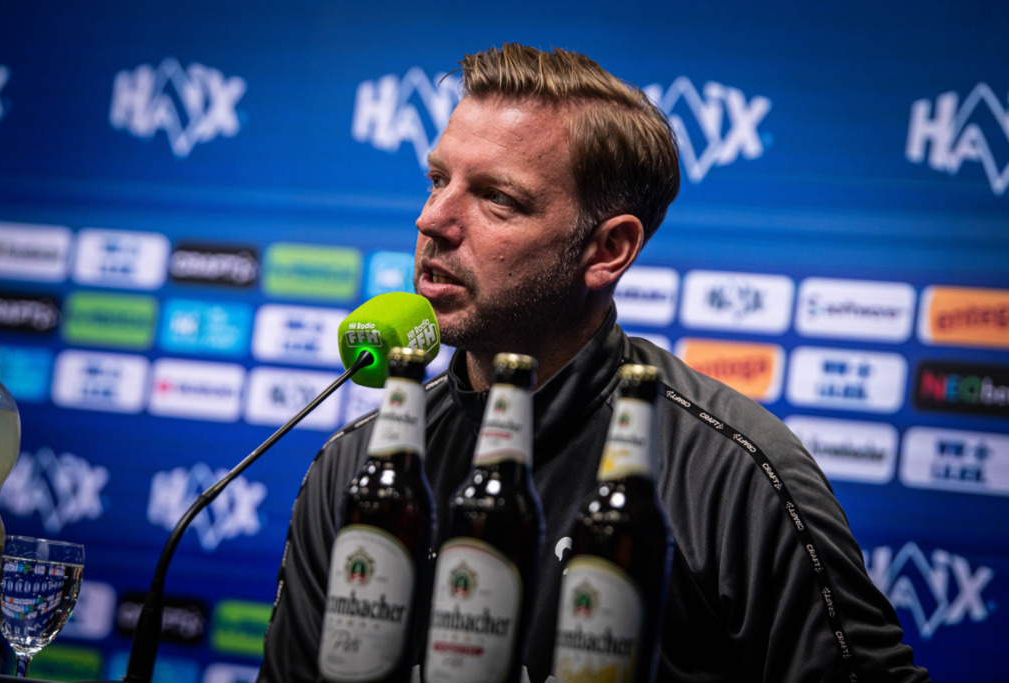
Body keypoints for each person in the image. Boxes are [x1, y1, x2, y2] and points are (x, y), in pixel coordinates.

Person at [259, 43, 930, 682]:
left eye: (497, 197)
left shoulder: (736, 474)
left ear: (608, 250)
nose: (432, 220)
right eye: (438, 179)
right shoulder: (353, 465)